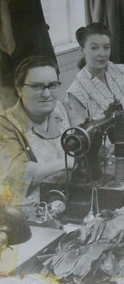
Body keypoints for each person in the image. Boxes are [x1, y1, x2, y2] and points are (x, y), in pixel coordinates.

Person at [0, 56, 72, 206]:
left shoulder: (60, 109)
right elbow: (18, 174)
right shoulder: (5, 124)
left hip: (67, 198)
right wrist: (66, 163)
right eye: (37, 86)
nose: (46, 94)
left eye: (52, 85)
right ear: (20, 90)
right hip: (31, 213)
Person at [64, 23, 124, 142]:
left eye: (106, 47)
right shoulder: (76, 91)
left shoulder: (123, 72)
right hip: (107, 155)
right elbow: (82, 138)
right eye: (94, 48)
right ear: (82, 50)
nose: (102, 54)